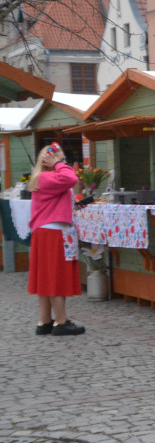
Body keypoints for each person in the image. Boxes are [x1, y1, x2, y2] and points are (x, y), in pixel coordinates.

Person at [27, 142, 85, 336]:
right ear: (49, 160)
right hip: (54, 232)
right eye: (61, 159)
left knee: (45, 278)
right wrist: (59, 163)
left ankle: (44, 321)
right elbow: (70, 178)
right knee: (55, 276)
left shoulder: (42, 178)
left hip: (47, 230)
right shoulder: (48, 177)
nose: (64, 163)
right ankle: (60, 321)